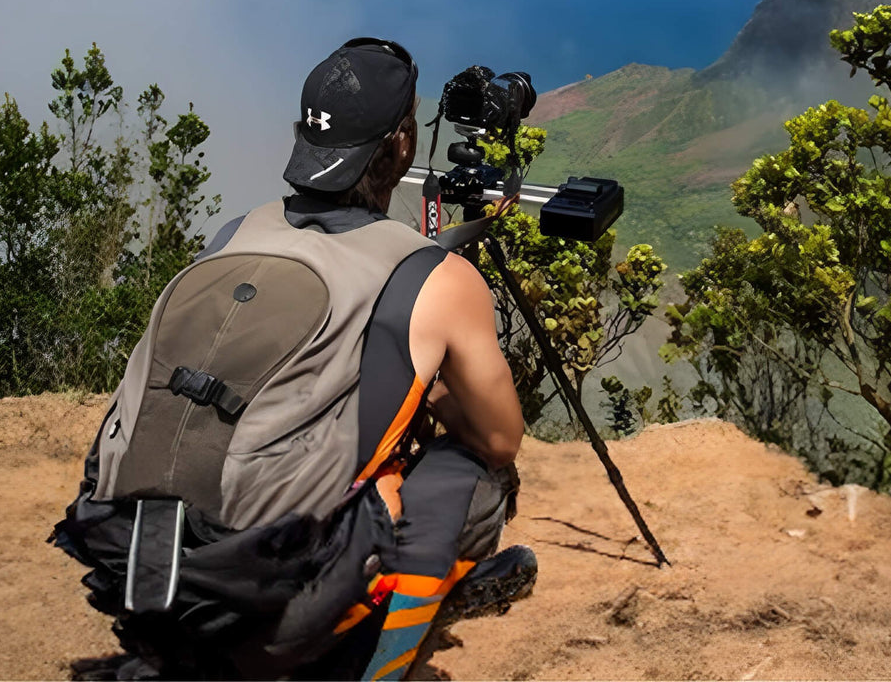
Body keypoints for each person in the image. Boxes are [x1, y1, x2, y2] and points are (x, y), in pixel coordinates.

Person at [55, 38, 535, 682]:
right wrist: (430, 391)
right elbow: (501, 437)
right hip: (264, 610)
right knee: (476, 474)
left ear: (300, 138)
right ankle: (375, 662)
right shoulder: (435, 276)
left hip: (143, 576)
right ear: (400, 148)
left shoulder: (233, 234)